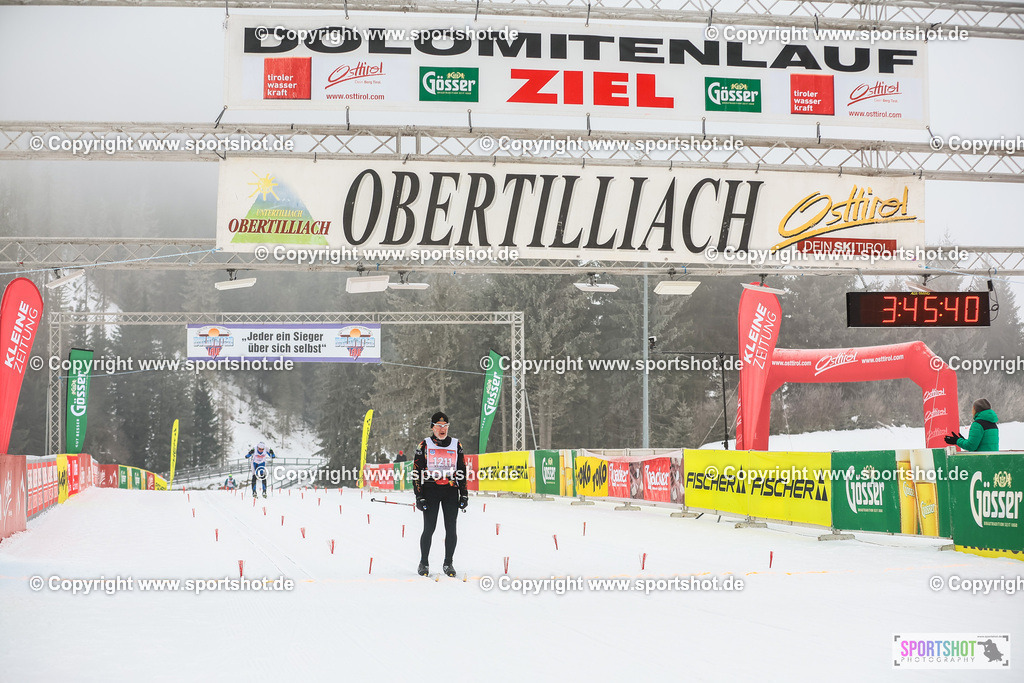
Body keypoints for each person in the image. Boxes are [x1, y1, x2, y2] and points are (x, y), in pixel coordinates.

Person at [413, 412, 468, 577]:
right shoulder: (424, 445)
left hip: (451, 490)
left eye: (445, 426)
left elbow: (462, 471)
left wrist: (464, 494)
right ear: (432, 427)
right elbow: (416, 472)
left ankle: (448, 563)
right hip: (431, 490)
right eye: (439, 426)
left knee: (451, 528)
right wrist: (419, 496)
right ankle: (424, 563)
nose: (442, 429)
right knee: (429, 528)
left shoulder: (456, 445)